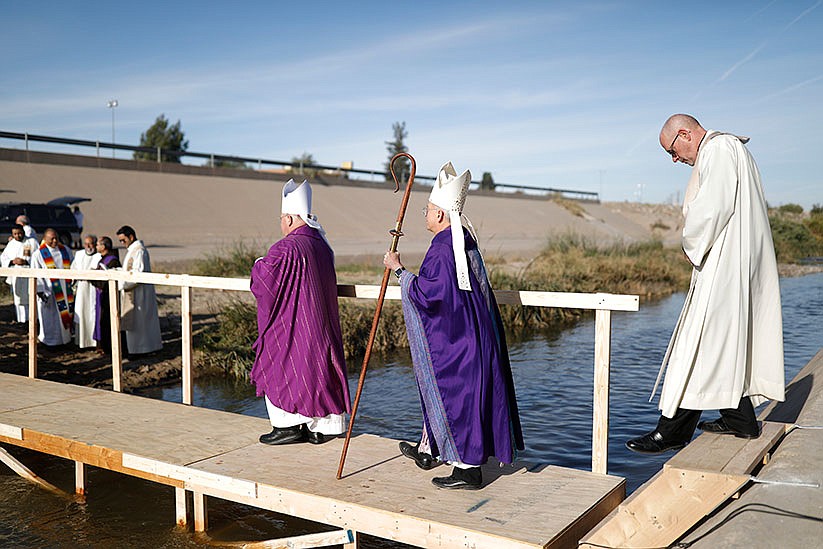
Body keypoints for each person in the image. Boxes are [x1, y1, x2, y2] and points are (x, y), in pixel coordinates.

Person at [626, 114, 784, 455]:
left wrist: (690, 243)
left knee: (697, 343)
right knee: (722, 343)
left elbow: (712, 208)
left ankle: (671, 432)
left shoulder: (719, 149)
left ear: (685, 134)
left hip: (726, 264)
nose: (675, 159)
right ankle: (740, 420)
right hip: (734, 260)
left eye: (672, 150)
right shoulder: (730, 148)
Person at [383, 162, 524, 490]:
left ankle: (466, 471)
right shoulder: (463, 241)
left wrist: (400, 271)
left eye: (428, 210)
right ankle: (437, 449)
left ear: (441, 215)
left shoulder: (444, 248)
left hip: (458, 342)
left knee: (458, 399)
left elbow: (431, 295)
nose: (425, 215)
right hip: (474, 336)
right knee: (469, 402)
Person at [250, 179, 351, 446]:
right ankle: (323, 427)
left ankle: (288, 425)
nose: (281, 223)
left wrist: (258, 263)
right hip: (319, 321)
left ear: (292, 219)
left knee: (282, 364)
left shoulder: (287, 247)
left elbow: (265, 281)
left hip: (292, 323)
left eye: (282, 218)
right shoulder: (321, 244)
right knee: (317, 369)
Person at [116, 225, 162, 355]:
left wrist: (121, 283)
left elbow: (137, 274)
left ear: (131, 237)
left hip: (140, 294)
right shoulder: (132, 250)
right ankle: (136, 349)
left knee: (141, 323)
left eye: (123, 240)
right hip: (133, 293)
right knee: (136, 323)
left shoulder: (139, 251)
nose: (122, 243)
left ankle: (142, 350)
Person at [30, 228, 74, 346]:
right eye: (51, 239)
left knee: (64, 315)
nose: (54, 241)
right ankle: (49, 342)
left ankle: (65, 340)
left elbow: (73, 266)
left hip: (64, 291)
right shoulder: (38, 254)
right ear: (44, 239)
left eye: (56, 238)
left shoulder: (66, 251)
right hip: (48, 291)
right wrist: (41, 291)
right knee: (50, 319)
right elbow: (36, 273)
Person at [1, 224, 40, 322]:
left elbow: (38, 257)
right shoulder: (11, 244)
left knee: (30, 298)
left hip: (29, 274)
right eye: (15, 234)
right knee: (19, 300)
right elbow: (4, 257)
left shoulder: (32, 242)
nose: (17, 236)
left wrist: (26, 261)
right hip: (16, 275)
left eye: (19, 233)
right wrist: (12, 261)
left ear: (23, 232)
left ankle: (32, 321)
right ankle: (21, 321)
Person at [91, 236, 121, 354]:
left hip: (108, 296)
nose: (96, 246)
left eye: (98, 244)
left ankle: (108, 347)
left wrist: (94, 279)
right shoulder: (102, 259)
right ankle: (101, 345)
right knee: (100, 319)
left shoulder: (112, 261)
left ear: (103, 246)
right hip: (100, 295)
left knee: (107, 321)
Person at [70, 235, 100, 348]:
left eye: (91, 243)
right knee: (81, 313)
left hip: (93, 288)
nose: (88, 246)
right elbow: (73, 269)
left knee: (92, 314)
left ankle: (94, 342)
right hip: (82, 289)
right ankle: (82, 342)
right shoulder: (79, 254)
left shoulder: (98, 256)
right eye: (86, 243)